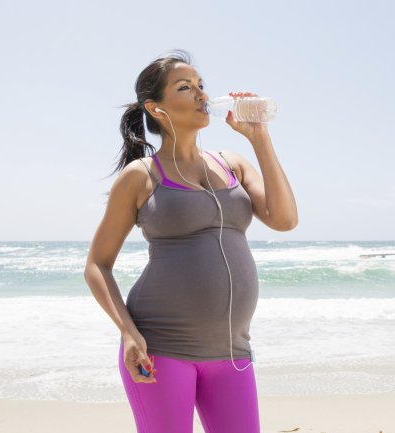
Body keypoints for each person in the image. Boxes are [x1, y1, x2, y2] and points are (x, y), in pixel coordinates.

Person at [83, 49, 298, 433]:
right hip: (160, 349)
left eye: (202, 85)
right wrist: (129, 334)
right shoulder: (140, 176)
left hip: (232, 351)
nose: (201, 94)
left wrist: (260, 138)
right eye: (185, 87)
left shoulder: (232, 162)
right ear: (156, 107)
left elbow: (284, 220)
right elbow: (97, 265)